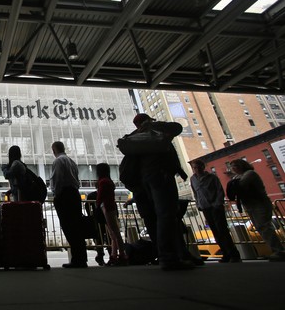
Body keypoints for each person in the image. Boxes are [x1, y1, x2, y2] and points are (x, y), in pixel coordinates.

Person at [128, 113, 194, 271]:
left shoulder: (136, 136)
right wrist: (154, 124)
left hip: (148, 179)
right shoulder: (153, 128)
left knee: (165, 215)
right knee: (167, 214)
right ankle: (168, 257)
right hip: (161, 176)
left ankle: (176, 254)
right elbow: (177, 127)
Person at [229, 159, 285, 262]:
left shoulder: (250, 174)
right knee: (261, 227)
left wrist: (233, 185)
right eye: (232, 166)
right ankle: (276, 250)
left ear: (242, 165)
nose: (233, 168)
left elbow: (240, 186)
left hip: (260, 203)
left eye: (235, 166)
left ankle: (279, 251)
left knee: (264, 227)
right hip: (249, 205)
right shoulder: (237, 177)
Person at [190, 159, 241, 263]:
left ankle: (234, 254)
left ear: (203, 167)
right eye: (194, 167)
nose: (197, 169)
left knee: (222, 230)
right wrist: (198, 204)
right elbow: (195, 193)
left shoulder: (212, 177)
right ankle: (226, 254)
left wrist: (217, 203)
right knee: (215, 231)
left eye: (198, 167)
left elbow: (219, 190)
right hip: (205, 208)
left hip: (215, 207)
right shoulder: (193, 179)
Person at [50, 141, 87, 268]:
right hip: (74, 194)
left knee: (68, 226)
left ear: (54, 150)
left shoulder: (58, 161)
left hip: (64, 195)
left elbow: (57, 179)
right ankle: (81, 258)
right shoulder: (71, 161)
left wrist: (56, 194)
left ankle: (77, 259)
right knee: (77, 227)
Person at [95, 163, 128, 266]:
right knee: (113, 233)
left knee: (114, 233)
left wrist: (97, 204)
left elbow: (100, 196)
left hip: (107, 207)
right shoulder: (108, 181)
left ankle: (120, 255)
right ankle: (116, 255)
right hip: (110, 206)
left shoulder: (103, 181)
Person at [85, 191, 108, 266]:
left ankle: (100, 256)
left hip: (97, 218)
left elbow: (87, 206)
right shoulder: (106, 193)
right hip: (105, 218)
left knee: (99, 238)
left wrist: (90, 216)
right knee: (108, 238)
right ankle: (108, 255)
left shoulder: (92, 195)